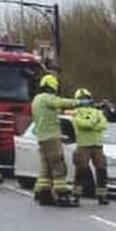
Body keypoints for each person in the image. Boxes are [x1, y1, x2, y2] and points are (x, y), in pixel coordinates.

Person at [32, 74, 87, 206]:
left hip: (42, 137)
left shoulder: (36, 99)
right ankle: (62, 194)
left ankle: (44, 193)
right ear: (52, 87)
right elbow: (60, 102)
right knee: (58, 164)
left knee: (46, 165)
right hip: (51, 137)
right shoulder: (46, 98)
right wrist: (79, 103)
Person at [72, 88, 109, 205]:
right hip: (83, 144)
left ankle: (102, 196)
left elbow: (104, 125)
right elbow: (82, 124)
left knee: (102, 169)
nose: (85, 101)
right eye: (82, 99)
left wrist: (91, 124)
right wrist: (94, 123)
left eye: (87, 98)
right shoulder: (75, 112)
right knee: (81, 170)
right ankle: (76, 195)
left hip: (97, 145)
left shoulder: (97, 112)